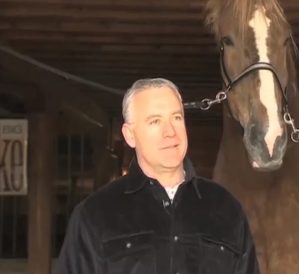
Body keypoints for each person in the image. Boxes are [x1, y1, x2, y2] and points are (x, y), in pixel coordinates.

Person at [56, 78, 260, 274]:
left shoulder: (226, 208)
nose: (170, 132)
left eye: (176, 118)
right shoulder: (94, 215)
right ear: (129, 135)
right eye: (155, 121)